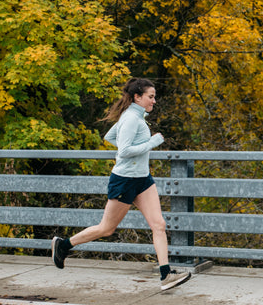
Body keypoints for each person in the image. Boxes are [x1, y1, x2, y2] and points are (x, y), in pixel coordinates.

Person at [51, 77, 191, 291]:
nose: (154, 101)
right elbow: (123, 151)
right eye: (151, 97)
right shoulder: (131, 119)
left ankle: (166, 275)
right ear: (137, 97)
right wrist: (151, 142)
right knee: (107, 228)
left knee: (159, 225)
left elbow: (110, 136)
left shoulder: (136, 116)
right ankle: (64, 245)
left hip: (143, 179)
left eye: (154, 97)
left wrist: (138, 147)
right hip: (124, 181)